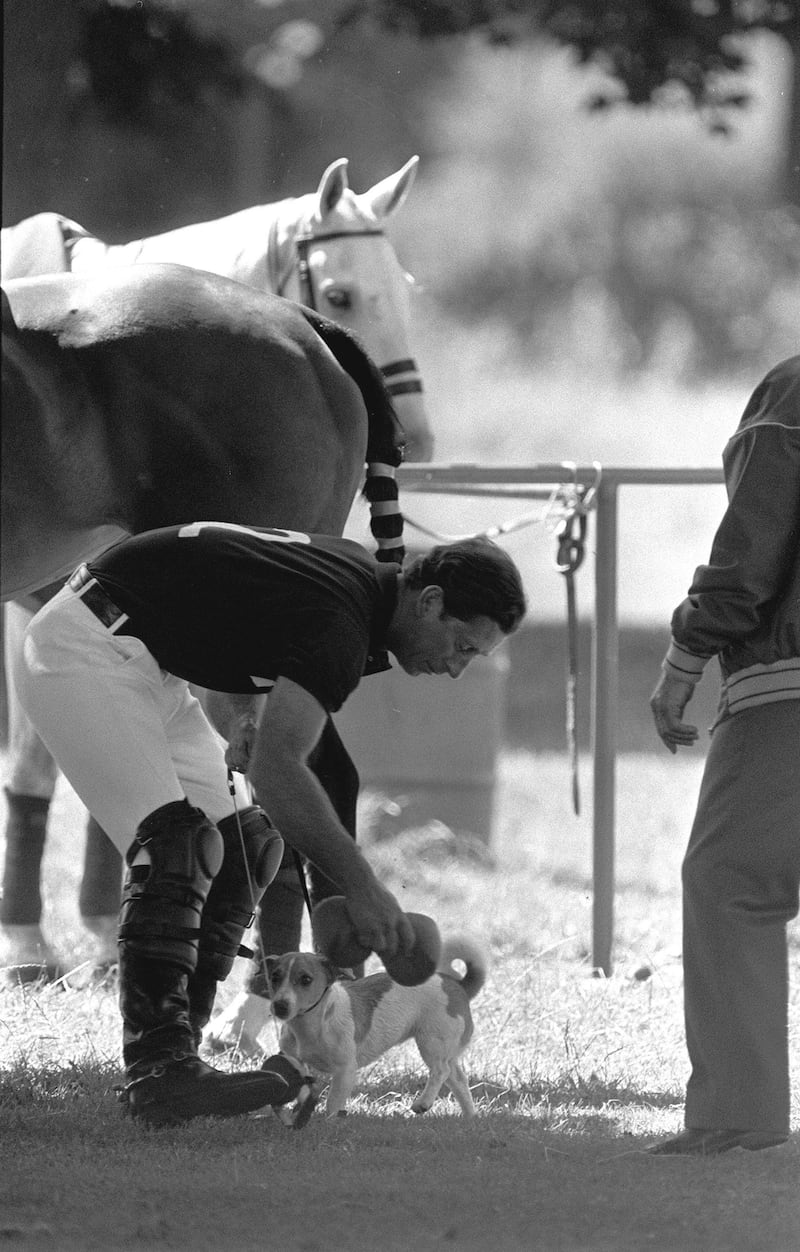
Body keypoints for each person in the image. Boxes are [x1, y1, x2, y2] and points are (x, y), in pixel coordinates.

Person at [12, 523, 526, 1126]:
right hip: (85, 650)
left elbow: (233, 628)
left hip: (144, 657)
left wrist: (335, 891)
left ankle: (183, 1054)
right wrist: (362, 888)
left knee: (245, 846)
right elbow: (280, 772)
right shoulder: (346, 620)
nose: (459, 668)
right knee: (179, 845)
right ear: (432, 602)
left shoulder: (360, 591)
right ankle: (160, 1072)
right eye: (463, 646)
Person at [648, 355, 799, 1156]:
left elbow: (752, 550)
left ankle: (739, 1116)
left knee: (731, 881)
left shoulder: (794, 392)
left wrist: (684, 661)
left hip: (790, 692)